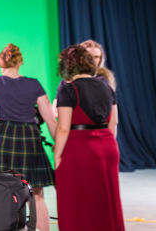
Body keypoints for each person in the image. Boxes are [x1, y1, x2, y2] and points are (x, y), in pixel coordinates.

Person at [0, 43, 56, 231]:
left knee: (4, 190)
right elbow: (49, 119)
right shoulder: (34, 84)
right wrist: (58, 143)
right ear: (20, 61)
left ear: (1, 61)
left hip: (3, 136)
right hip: (28, 137)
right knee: (36, 194)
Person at [54, 44, 123, 231]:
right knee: (106, 200)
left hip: (81, 149)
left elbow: (63, 128)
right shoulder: (107, 86)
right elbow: (113, 122)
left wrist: (57, 155)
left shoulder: (67, 88)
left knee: (77, 202)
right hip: (108, 145)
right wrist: (109, 145)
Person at [53, 39, 117, 117]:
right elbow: (56, 108)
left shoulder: (103, 80)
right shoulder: (65, 81)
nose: (93, 60)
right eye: (89, 56)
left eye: (96, 57)